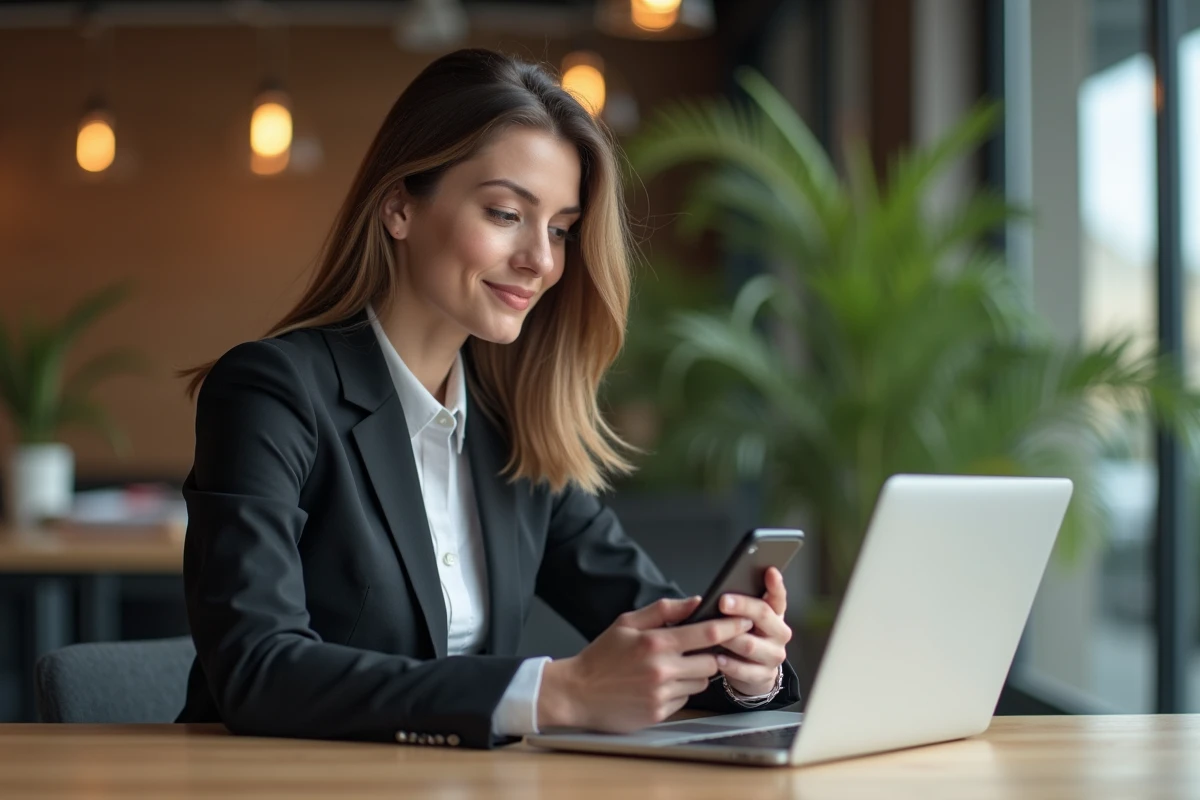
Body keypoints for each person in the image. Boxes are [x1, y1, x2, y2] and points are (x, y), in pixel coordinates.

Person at [176, 47, 800, 749]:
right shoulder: (272, 392)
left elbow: (660, 630)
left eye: (560, 228)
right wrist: (553, 692)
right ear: (398, 208)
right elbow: (256, 671)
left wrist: (743, 666)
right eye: (507, 213)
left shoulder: (511, 430)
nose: (542, 259)